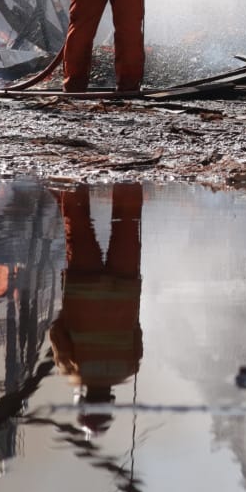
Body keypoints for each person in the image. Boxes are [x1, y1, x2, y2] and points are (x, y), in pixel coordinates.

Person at [49, 182, 144, 434]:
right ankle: (71, 176)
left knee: (127, 220)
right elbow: (56, 332)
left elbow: (136, 331)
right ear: (84, 399)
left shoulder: (129, 369)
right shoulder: (72, 370)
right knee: (77, 222)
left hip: (124, 287)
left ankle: (130, 173)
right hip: (83, 286)